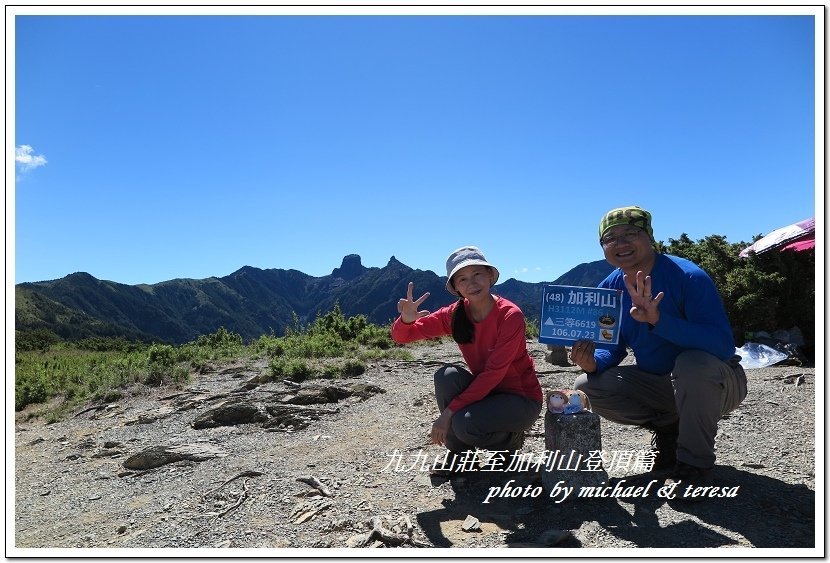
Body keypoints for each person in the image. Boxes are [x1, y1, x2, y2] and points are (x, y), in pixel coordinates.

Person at [571, 206, 747, 493]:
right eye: (610, 238)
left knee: (692, 364)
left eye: (631, 233)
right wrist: (592, 362)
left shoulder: (688, 277)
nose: (621, 244)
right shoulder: (610, 289)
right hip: (661, 386)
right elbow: (611, 349)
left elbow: (722, 345)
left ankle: (694, 466)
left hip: (718, 382)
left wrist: (658, 320)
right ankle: (670, 429)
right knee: (586, 385)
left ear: (649, 237)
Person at [391, 246, 543, 475]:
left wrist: (448, 414)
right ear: (456, 288)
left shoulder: (510, 316)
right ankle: (462, 458)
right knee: (447, 376)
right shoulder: (456, 314)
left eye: (477, 274)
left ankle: (509, 441)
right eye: (462, 279)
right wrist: (406, 320)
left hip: (520, 400)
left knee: (463, 423)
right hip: (488, 393)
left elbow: (493, 374)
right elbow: (402, 337)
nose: (471, 283)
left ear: (490, 276)